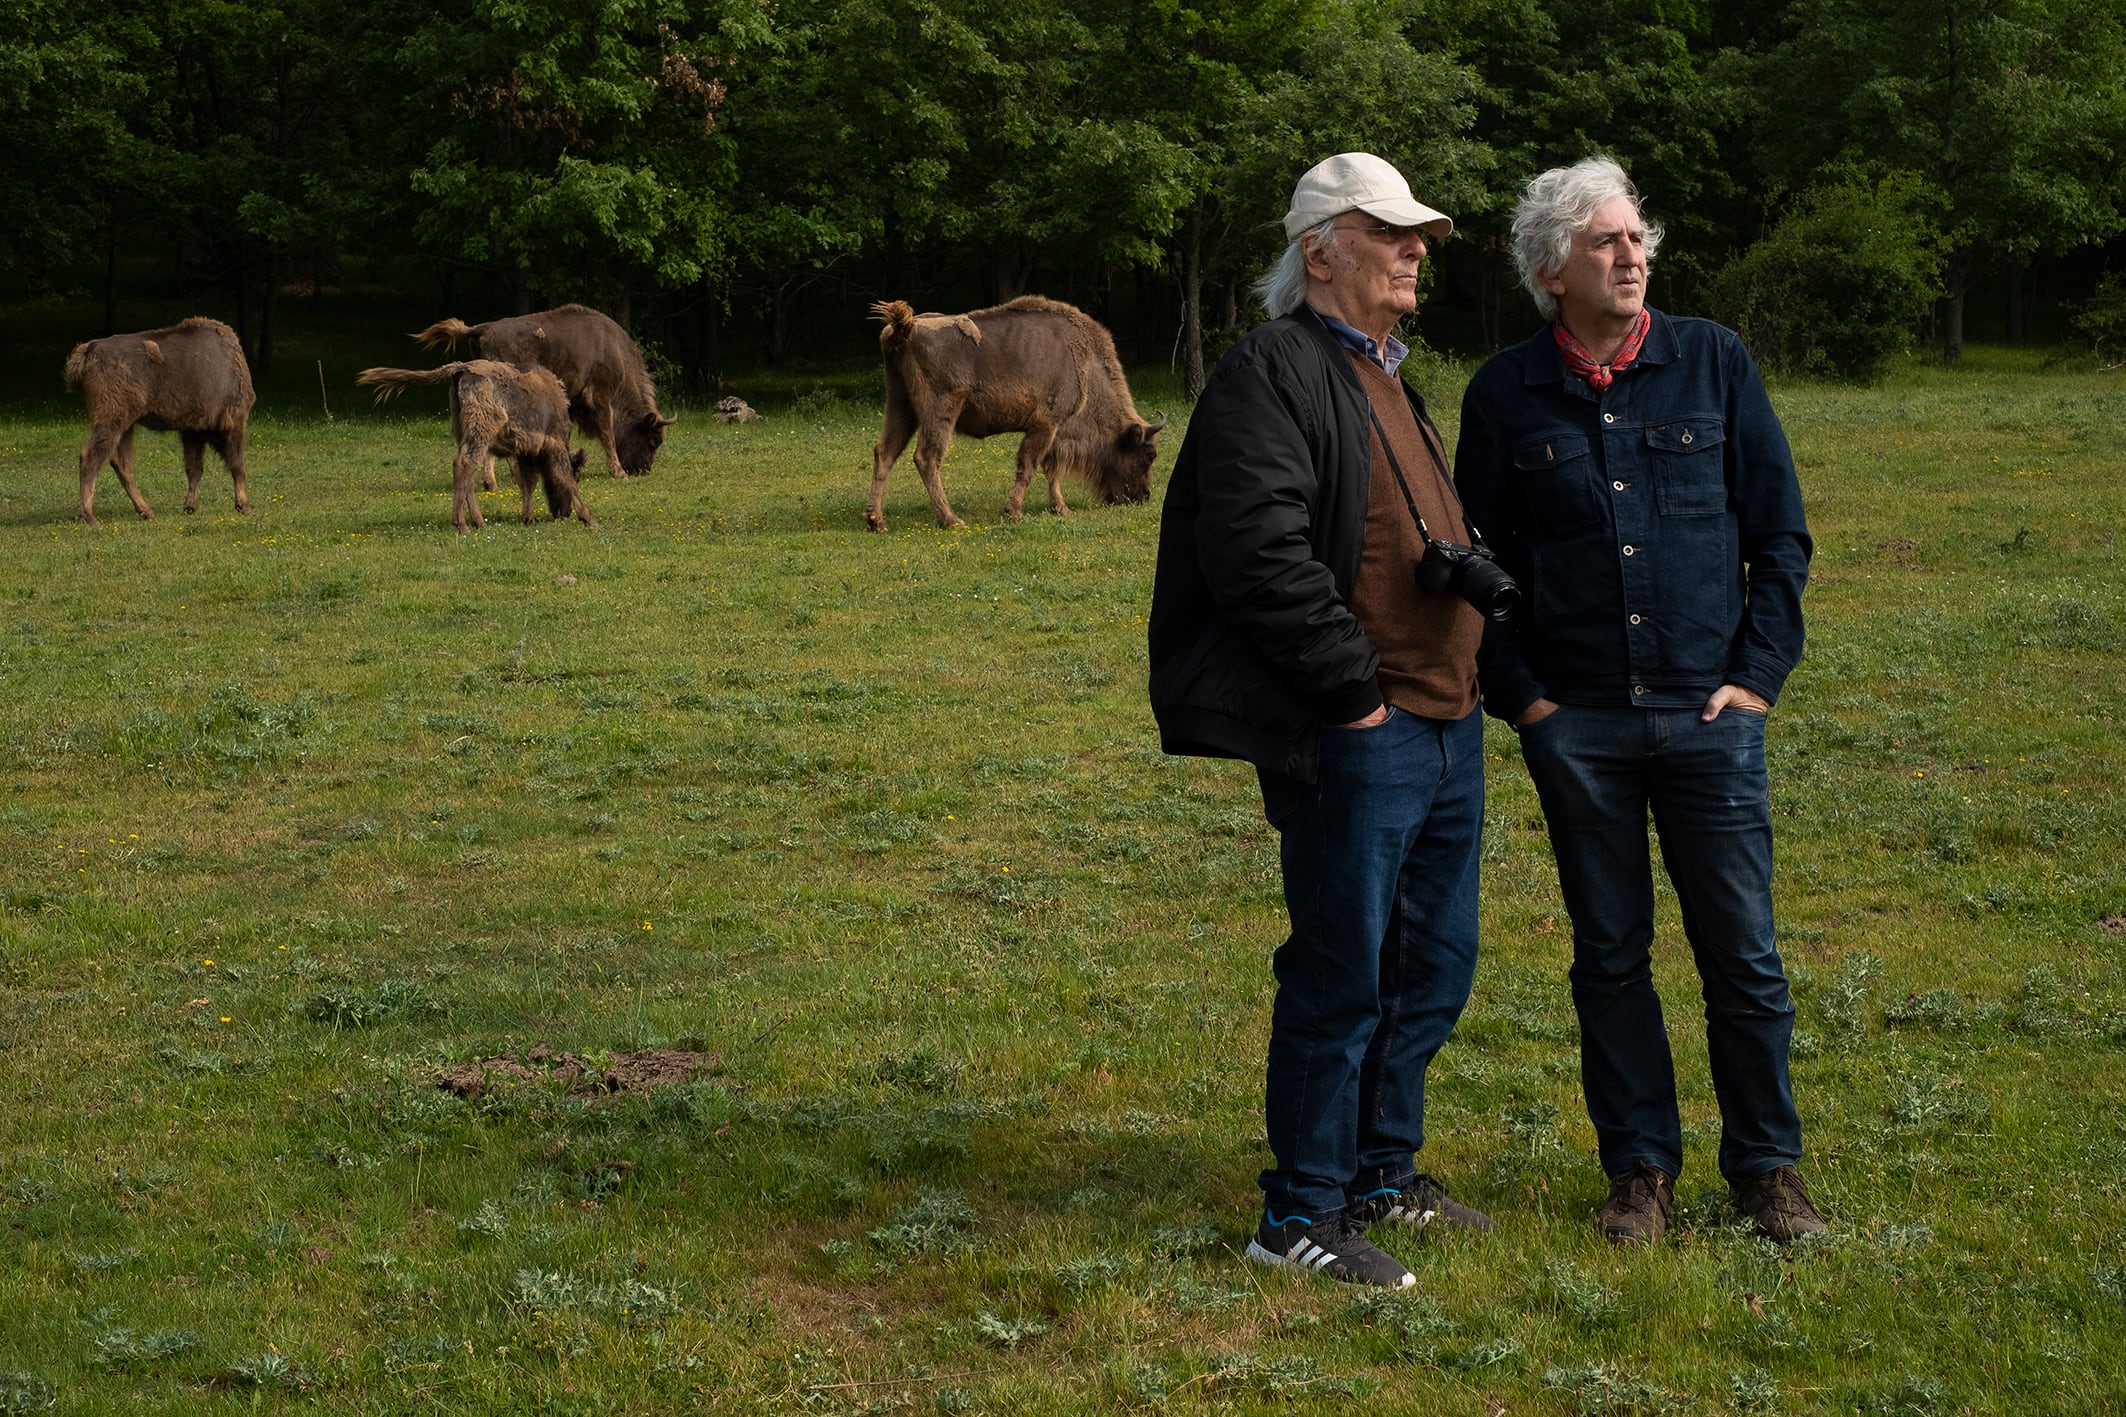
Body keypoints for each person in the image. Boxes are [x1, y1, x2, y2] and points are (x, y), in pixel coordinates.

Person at [1454, 157, 1823, 1246]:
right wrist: (1526, 704)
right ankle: (1637, 1174)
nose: (1629, 255)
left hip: (1709, 721)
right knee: (1608, 955)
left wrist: (1753, 680)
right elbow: (1480, 567)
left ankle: (1766, 1172)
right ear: (1548, 270)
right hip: (1580, 728)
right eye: (1604, 242)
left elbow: (1779, 535)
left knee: (1741, 955)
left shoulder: (1710, 361)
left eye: (1634, 238)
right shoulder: (1502, 393)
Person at [1149, 153, 1496, 1290]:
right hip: (1366, 728)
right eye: (1387, 232)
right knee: (1342, 971)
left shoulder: (1386, 373)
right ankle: (1295, 1213)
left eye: (1416, 236)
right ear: (1317, 249)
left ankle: (1378, 1172)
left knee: (1430, 966)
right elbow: (1254, 552)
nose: (1413, 251)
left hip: (1444, 725)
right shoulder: (1272, 372)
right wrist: (1352, 694)